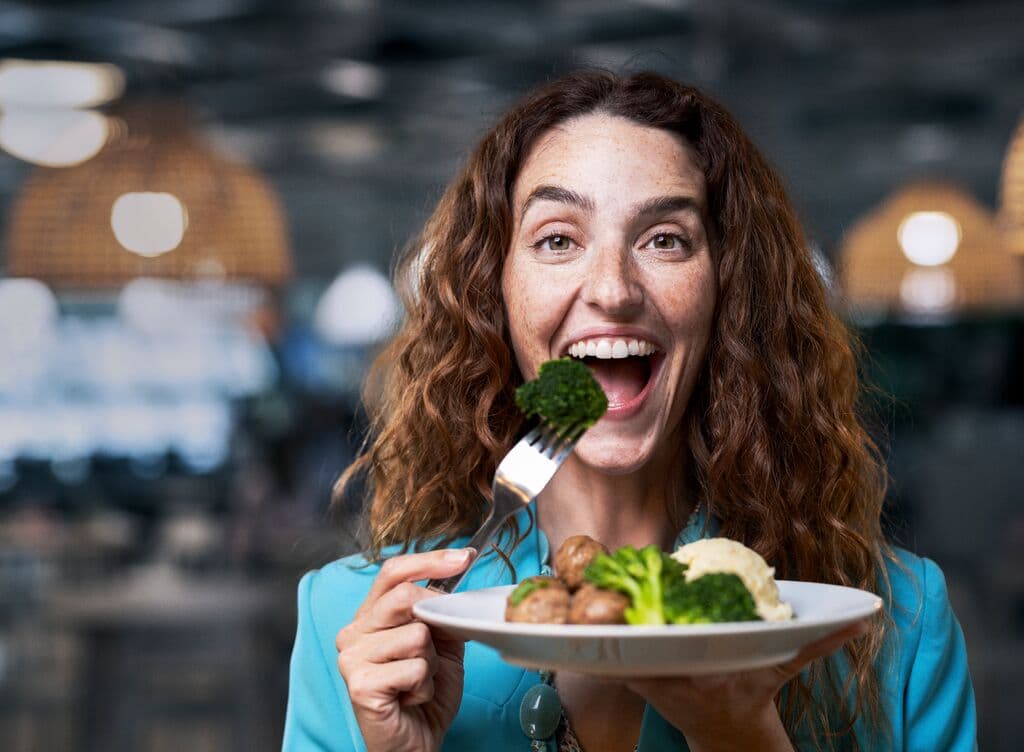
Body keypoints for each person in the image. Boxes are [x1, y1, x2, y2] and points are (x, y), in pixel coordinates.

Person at [283, 70, 977, 752]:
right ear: (494, 291)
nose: (613, 289)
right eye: (558, 239)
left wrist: (739, 737)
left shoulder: (896, 627)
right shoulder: (352, 626)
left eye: (664, 239)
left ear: (727, 294)